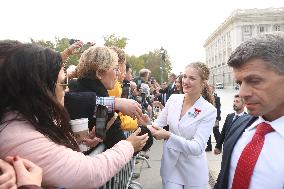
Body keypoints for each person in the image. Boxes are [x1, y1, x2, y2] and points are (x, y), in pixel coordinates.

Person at [0, 42, 148, 188]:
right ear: (39, 88)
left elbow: (59, 148)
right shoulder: (18, 134)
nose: (67, 90)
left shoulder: (26, 116)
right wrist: (130, 144)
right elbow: (90, 172)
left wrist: (80, 141)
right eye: (64, 83)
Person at [214, 32, 284, 189]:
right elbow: (222, 181)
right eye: (239, 83)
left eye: (254, 81)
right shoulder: (239, 125)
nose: (243, 93)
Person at [146, 62, 217, 189]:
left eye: (192, 78)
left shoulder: (209, 110)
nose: (185, 81)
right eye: (184, 76)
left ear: (203, 82)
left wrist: (168, 136)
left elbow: (197, 148)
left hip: (193, 173)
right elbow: (157, 125)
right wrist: (145, 123)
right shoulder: (173, 99)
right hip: (170, 169)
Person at [206, 86, 221, 151]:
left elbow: (218, 108)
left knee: (216, 131)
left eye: (211, 89)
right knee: (207, 132)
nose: (210, 90)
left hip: (215, 117)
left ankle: (219, 146)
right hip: (207, 117)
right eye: (209, 89)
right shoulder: (205, 98)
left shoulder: (217, 98)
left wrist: (217, 118)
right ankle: (209, 146)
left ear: (213, 90)